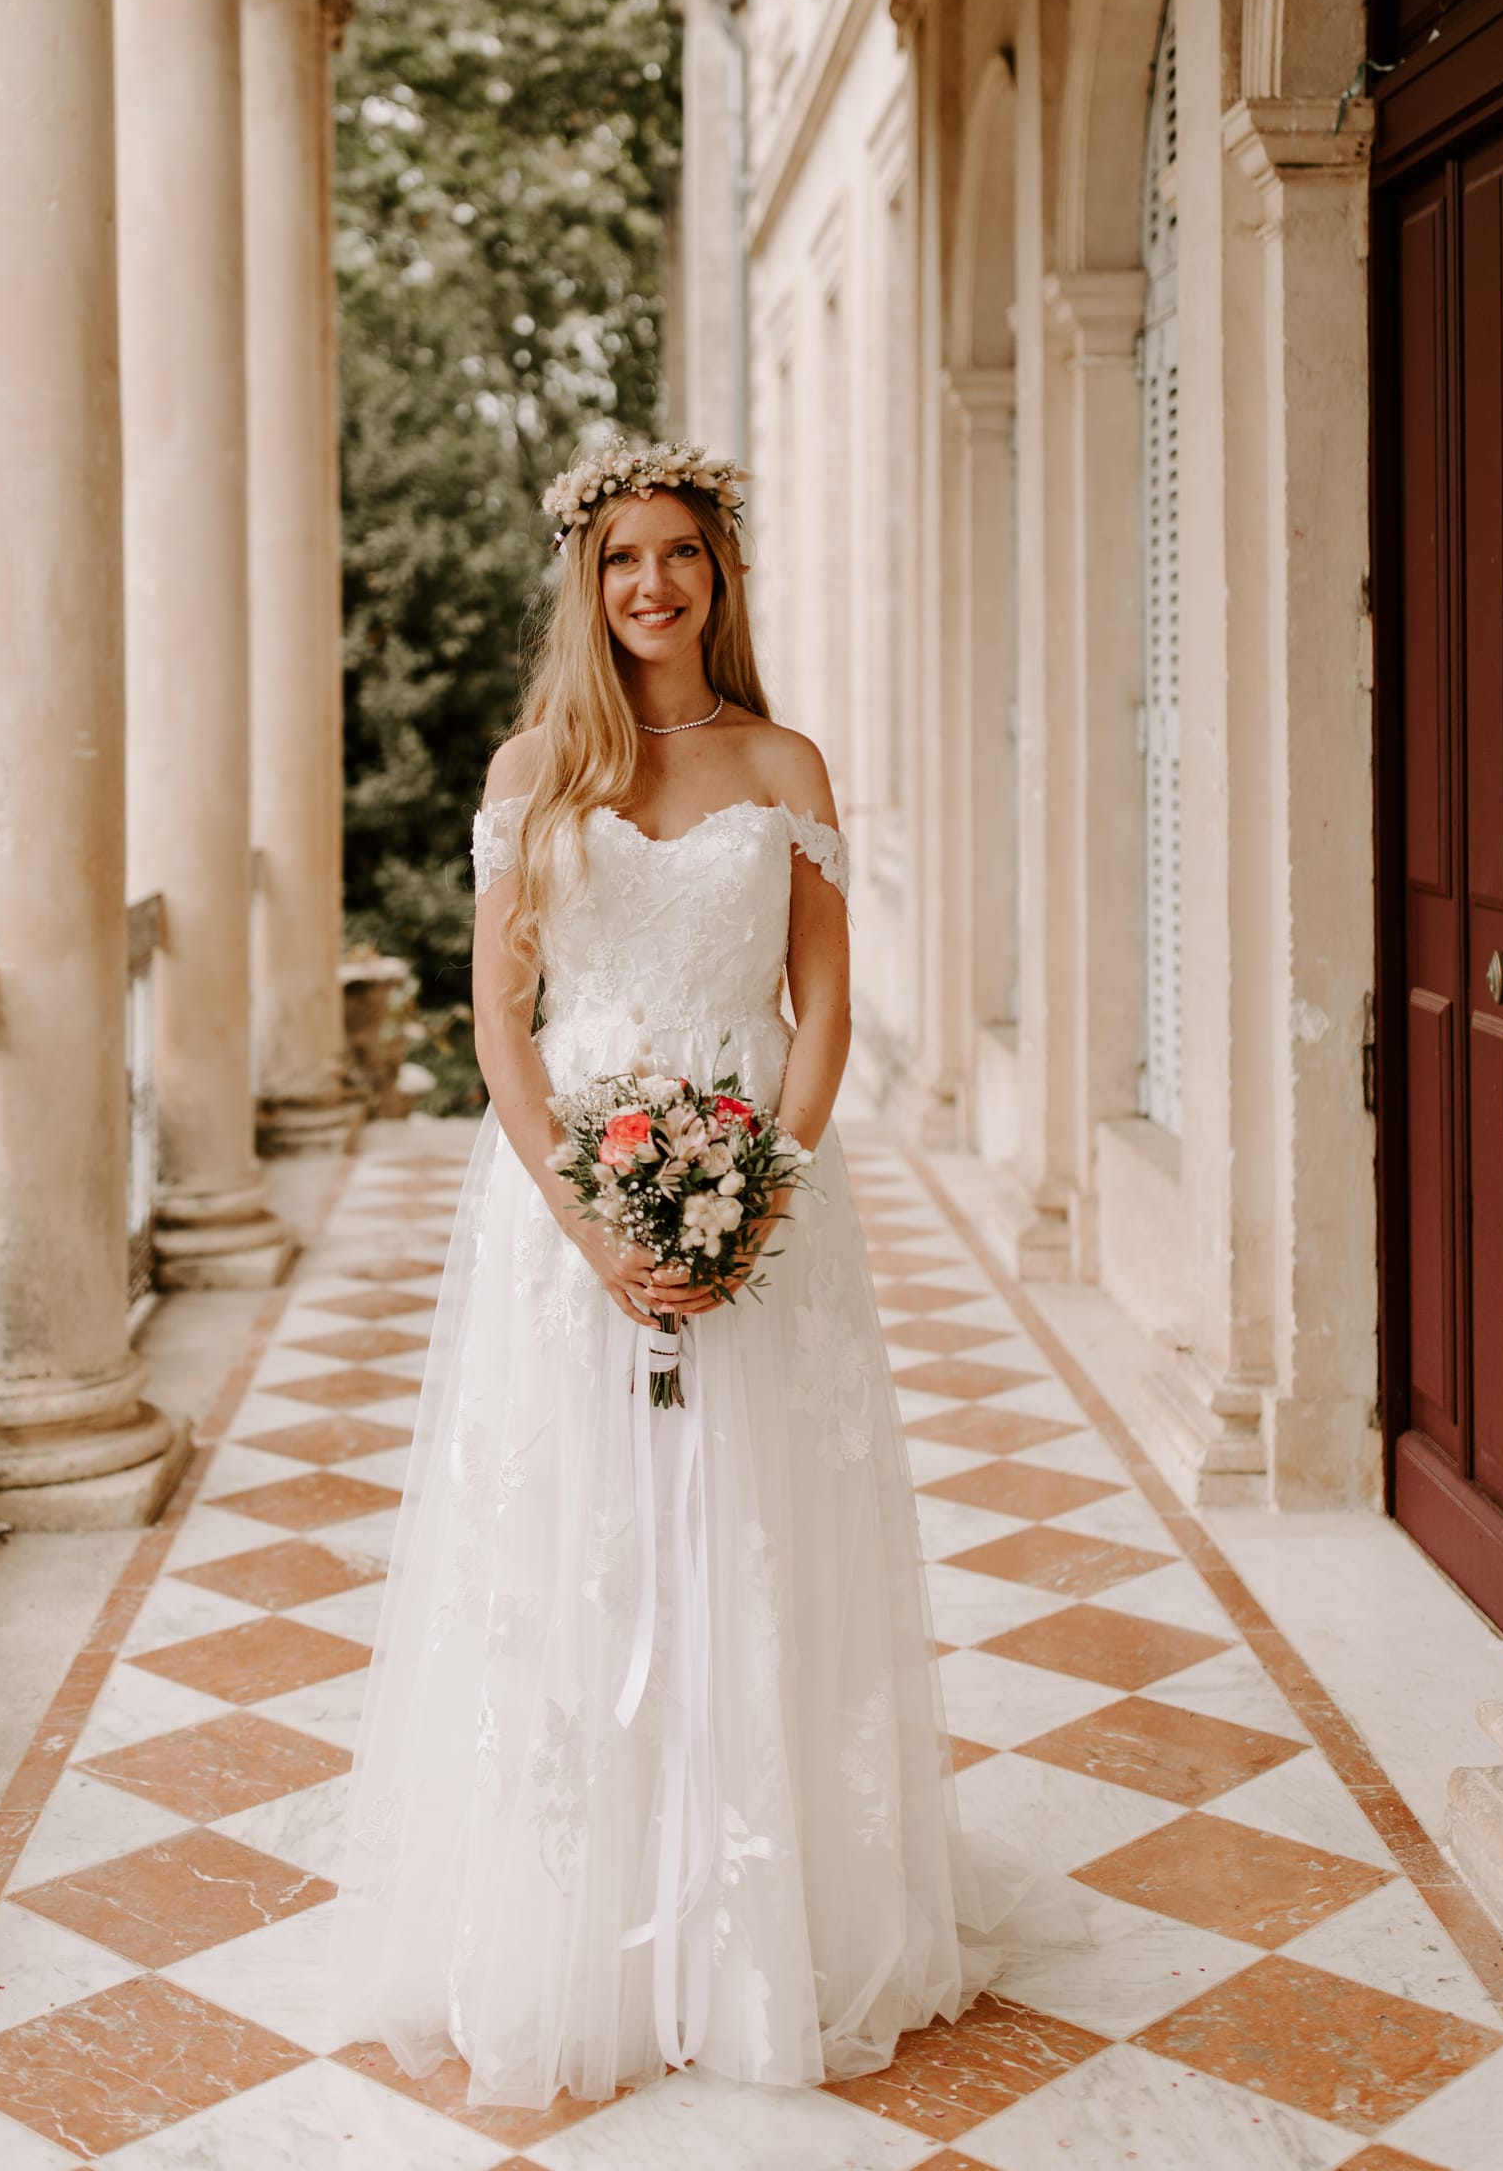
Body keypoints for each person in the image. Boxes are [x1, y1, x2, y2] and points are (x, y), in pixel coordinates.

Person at [335, 439, 1042, 2107]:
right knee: (576, 1538)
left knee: (753, 1524)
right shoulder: (533, 769)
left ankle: (758, 1921)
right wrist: (590, 1222)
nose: (651, 585)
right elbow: (504, 1024)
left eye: (681, 557)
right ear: (585, 584)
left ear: (721, 577)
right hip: (563, 1206)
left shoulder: (784, 759)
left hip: (760, 1198)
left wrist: (762, 1199)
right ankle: (580, 1929)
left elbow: (824, 1004)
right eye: (620, 560)